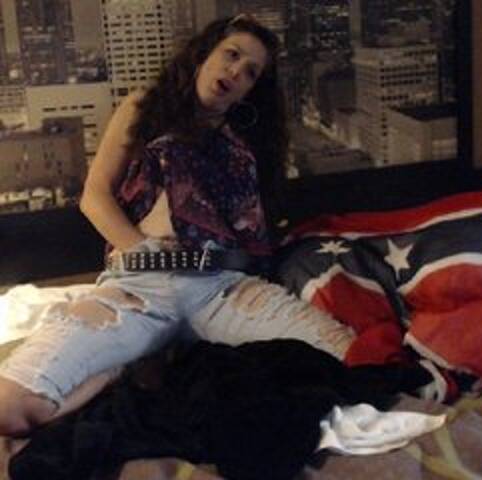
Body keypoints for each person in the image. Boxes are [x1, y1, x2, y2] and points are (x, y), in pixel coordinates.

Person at [0, 15, 356, 437]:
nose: (236, 72)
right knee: (10, 407)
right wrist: (141, 251)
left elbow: (254, 234)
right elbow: (94, 197)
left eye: (250, 72)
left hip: (221, 288)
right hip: (140, 286)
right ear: (203, 54)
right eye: (231, 55)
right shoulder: (144, 108)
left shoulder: (247, 141)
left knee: (351, 359)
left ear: (250, 90)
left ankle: (162, 359)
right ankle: (119, 372)